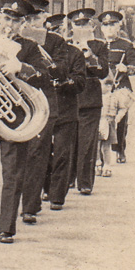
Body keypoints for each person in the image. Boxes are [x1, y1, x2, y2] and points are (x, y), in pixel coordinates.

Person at [0, 0, 50, 244]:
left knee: (13, 173)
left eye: (15, 21)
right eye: (6, 19)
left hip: (16, 116)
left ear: (23, 23)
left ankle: (6, 226)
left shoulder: (30, 47)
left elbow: (44, 76)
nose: (9, 25)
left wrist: (21, 67)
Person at [19, 0, 66, 225]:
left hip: (44, 103)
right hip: (18, 104)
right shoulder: (14, 40)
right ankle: (28, 200)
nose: (32, 23)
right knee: (20, 156)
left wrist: (42, 57)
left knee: (36, 154)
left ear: (45, 18)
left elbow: (61, 72)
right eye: (28, 19)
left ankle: (29, 206)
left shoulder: (56, 41)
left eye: (36, 18)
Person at [43, 13, 86, 211]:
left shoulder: (75, 53)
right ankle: (45, 188)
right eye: (52, 30)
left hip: (66, 109)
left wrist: (64, 83)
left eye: (59, 30)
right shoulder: (39, 51)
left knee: (62, 153)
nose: (56, 34)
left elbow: (80, 82)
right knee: (42, 153)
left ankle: (57, 196)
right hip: (44, 109)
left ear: (65, 31)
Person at [69, 8, 110, 195]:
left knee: (87, 143)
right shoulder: (66, 44)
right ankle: (68, 178)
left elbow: (103, 71)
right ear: (72, 26)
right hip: (70, 97)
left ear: (92, 26)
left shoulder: (99, 45)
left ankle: (84, 182)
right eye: (77, 24)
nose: (81, 27)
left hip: (90, 99)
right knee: (68, 141)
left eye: (84, 23)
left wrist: (90, 55)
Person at [98, 10, 135, 164]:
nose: (109, 28)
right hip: (102, 87)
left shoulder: (126, 45)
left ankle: (120, 149)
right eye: (106, 25)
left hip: (119, 86)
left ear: (119, 27)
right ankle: (100, 154)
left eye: (112, 25)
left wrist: (127, 68)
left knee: (119, 121)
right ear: (102, 28)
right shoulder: (97, 45)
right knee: (101, 119)